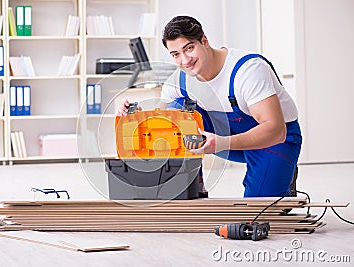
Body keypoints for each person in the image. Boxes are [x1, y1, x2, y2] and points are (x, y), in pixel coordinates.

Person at [118, 15, 302, 198]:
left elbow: (276, 130)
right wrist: (137, 117)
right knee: (176, 109)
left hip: (274, 140)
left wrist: (222, 142)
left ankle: (282, 175)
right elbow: (161, 124)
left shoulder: (248, 70)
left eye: (189, 48)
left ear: (204, 41)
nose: (185, 61)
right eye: (176, 55)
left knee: (259, 211)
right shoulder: (179, 81)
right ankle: (193, 188)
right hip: (222, 136)